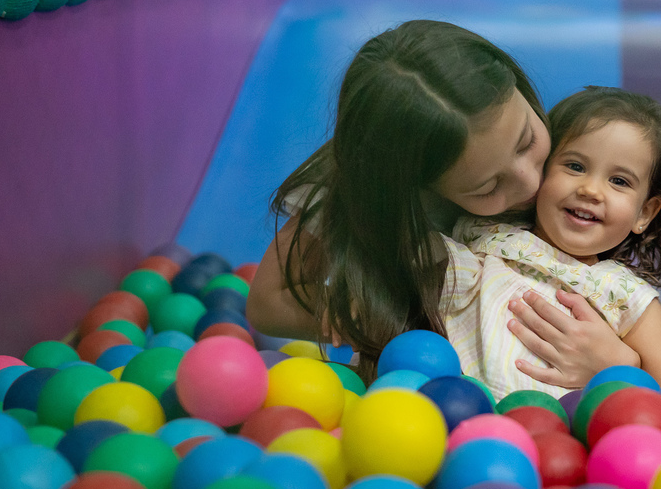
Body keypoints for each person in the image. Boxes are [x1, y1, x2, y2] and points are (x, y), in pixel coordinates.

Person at [245, 20, 640, 384]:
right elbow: (266, 304)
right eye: (488, 188)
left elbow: (622, 307)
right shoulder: (358, 188)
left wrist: (619, 361)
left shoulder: (572, 163)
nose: (530, 181)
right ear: (418, 188)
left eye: (527, 141)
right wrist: (366, 311)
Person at [442, 87, 661, 444]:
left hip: (572, 433)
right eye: (575, 166)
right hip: (464, 412)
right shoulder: (489, 230)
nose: (591, 189)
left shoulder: (623, 293)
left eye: (619, 181)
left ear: (644, 213)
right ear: (540, 173)